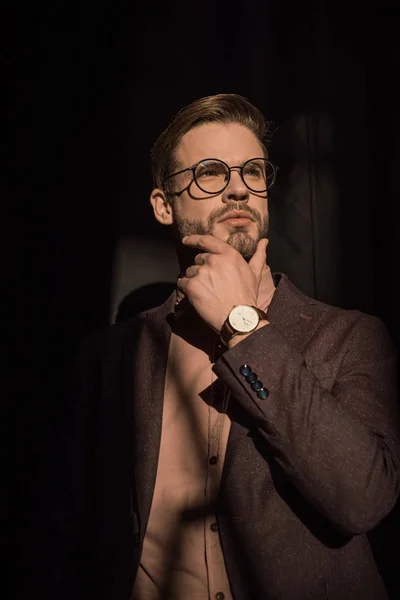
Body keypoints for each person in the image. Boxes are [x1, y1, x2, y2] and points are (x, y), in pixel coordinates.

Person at [36, 94, 399, 600]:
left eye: (252, 171)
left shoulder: (349, 336)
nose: (237, 189)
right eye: (210, 173)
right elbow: (63, 539)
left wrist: (242, 327)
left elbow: (362, 499)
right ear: (165, 206)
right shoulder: (111, 356)